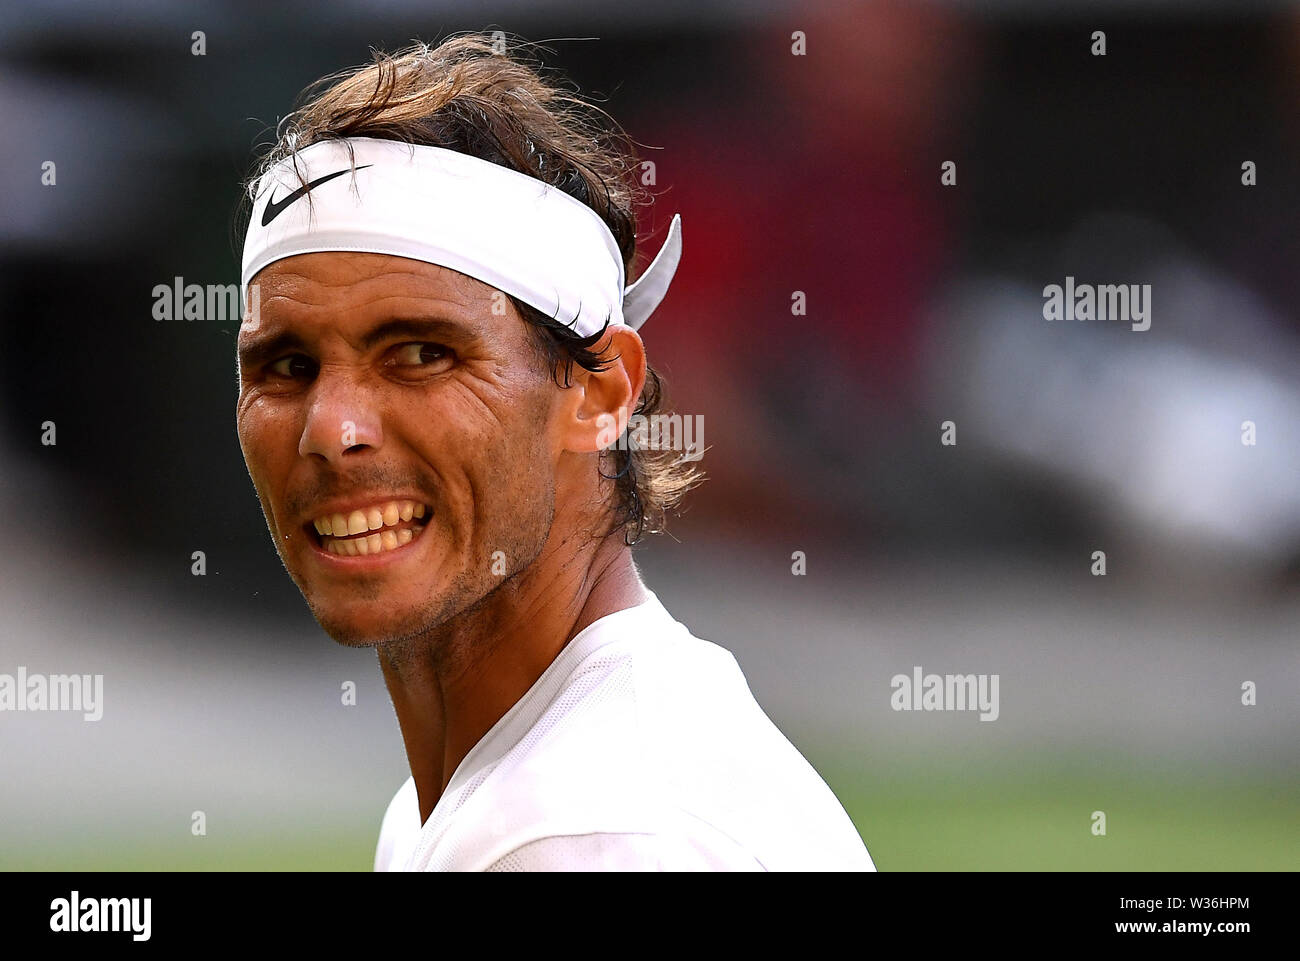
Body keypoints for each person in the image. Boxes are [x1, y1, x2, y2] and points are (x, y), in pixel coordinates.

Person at [234, 33, 874, 871]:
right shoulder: (504, 794)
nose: (332, 428)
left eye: (423, 353)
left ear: (601, 391)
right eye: (287, 365)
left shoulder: (585, 831)